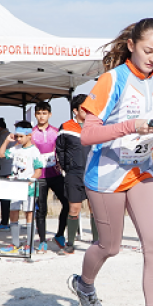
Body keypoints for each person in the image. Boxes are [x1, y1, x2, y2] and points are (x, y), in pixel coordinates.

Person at [67, 18, 153, 306]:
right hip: (106, 175)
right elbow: (87, 135)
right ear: (132, 45)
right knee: (110, 247)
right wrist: (130, 126)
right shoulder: (112, 80)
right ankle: (84, 284)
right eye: (148, 50)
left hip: (140, 171)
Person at [55, 94, 99, 254]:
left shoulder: (97, 126)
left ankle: (97, 243)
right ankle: (70, 244)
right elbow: (60, 149)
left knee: (95, 208)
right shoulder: (66, 127)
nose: (88, 111)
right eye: (84, 108)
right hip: (74, 174)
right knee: (74, 208)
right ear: (75, 110)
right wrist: (67, 168)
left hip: (94, 173)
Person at [0, 120, 43, 252]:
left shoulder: (34, 151)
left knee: (29, 214)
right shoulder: (15, 149)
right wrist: (7, 141)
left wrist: (29, 182)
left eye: (21, 136)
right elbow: (0, 154)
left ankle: (29, 244)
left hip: (29, 189)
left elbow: (38, 171)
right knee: (13, 213)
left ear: (29, 135)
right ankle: (15, 243)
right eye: (17, 136)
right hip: (15, 188)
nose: (18, 139)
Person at [31, 101, 70, 249]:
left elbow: (62, 149)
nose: (41, 116)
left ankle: (59, 235)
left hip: (55, 174)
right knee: (41, 209)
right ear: (35, 115)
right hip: (39, 176)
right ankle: (42, 241)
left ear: (50, 114)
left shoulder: (56, 131)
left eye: (44, 113)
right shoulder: (31, 133)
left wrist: (62, 163)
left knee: (67, 203)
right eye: (39, 113)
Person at [0, 118, 13, 230]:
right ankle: (9, 221)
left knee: (4, 198)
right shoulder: (13, 136)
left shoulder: (2, 138)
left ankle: (5, 222)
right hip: (12, 171)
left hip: (4, 171)